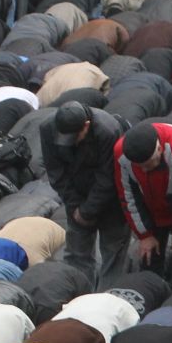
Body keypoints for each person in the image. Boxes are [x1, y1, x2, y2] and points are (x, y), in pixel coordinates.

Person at [42, 103, 130, 282]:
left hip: (111, 201)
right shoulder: (48, 128)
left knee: (113, 254)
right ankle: (76, 298)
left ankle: (106, 299)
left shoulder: (107, 130)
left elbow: (108, 178)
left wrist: (87, 210)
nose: (71, 142)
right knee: (76, 256)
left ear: (87, 125)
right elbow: (56, 173)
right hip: (75, 196)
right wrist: (75, 207)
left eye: (75, 137)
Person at [115, 122, 172, 282]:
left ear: (159, 149)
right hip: (151, 210)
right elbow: (127, 196)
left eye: (148, 165)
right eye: (139, 167)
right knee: (148, 263)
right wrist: (144, 235)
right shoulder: (121, 153)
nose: (144, 170)